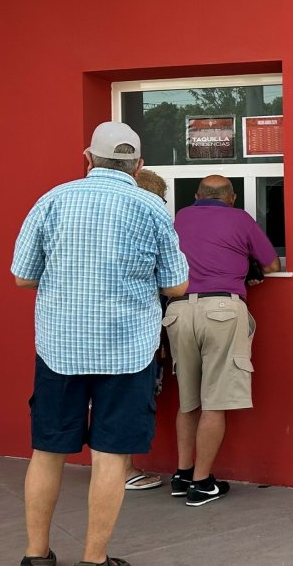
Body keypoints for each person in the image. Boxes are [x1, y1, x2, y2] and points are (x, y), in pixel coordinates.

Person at [12, 122, 189, 566]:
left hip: (60, 348)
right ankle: (94, 560)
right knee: (112, 457)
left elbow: (23, 275)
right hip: (128, 352)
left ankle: (36, 556)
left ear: (87, 159)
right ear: (138, 165)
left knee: (48, 451)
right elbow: (177, 285)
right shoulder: (151, 207)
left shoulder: (52, 200)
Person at [165, 175, 280, 506]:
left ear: (198, 195)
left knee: (188, 400)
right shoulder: (239, 218)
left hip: (179, 311)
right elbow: (271, 264)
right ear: (232, 198)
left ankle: (182, 474)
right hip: (222, 310)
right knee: (214, 401)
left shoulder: (181, 217)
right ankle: (201, 484)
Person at [122, 169, 170, 492]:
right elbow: (172, 282)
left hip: (90, 336)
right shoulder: (151, 227)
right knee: (126, 403)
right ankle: (123, 470)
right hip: (136, 336)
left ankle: (114, 470)